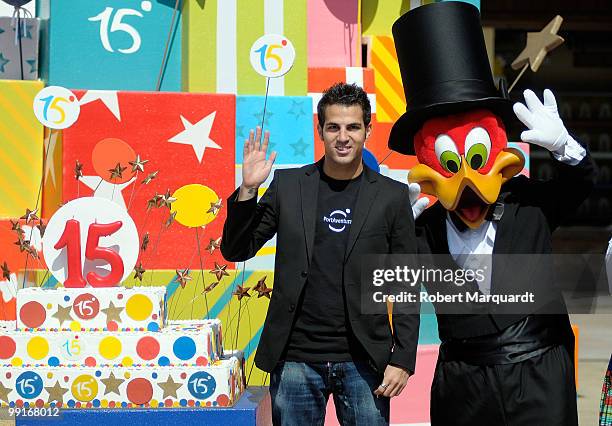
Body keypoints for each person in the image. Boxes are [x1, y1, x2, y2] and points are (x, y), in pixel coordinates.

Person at [388, 3, 597, 425]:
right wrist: (392, 233)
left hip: (539, 377)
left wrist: (565, 149)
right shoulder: (424, 227)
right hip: (464, 386)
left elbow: (579, 187)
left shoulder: (528, 203)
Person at [221, 83, 420, 426]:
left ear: (368, 131)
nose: (343, 137)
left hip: (365, 361)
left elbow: (405, 284)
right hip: (296, 358)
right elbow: (237, 249)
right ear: (321, 131)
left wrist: (402, 359)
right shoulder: (289, 186)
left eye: (353, 127)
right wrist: (249, 190)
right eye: (333, 127)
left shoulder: (392, 197)